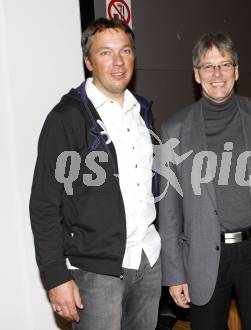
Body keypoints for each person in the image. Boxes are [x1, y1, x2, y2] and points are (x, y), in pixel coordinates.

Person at [158, 32, 251, 330]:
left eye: (224, 65)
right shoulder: (174, 129)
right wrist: (174, 274)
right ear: (197, 75)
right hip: (202, 256)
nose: (217, 74)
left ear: (236, 70)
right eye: (208, 67)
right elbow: (169, 211)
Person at [29, 18, 161, 329]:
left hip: (147, 259)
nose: (118, 62)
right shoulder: (67, 117)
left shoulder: (142, 111)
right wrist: (55, 276)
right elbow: (45, 203)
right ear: (89, 61)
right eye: (105, 53)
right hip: (95, 271)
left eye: (125, 51)